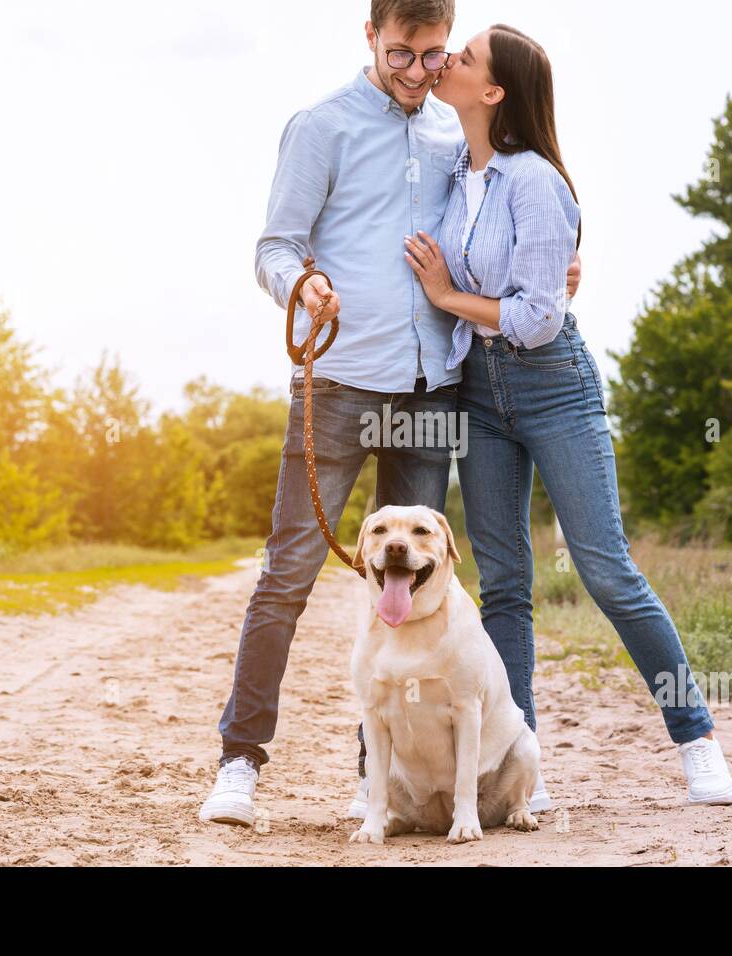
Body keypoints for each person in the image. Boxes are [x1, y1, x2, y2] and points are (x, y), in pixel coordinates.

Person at [199, 0, 581, 827]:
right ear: (370, 36)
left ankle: (377, 781)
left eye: (434, 55)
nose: (418, 72)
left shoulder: (451, 129)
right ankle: (239, 762)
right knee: (290, 570)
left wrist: (552, 270)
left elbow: (498, 212)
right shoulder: (321, 127)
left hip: (428, 390)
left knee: (412, 583)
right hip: (336, 383)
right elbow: (274, 244)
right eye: (402, 53)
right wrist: (300, 282)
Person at [403, 24, 732, 805]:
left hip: (554, 385)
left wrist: (451, 296)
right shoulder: (457, 170)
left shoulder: (535, 180)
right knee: (507, 586)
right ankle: (523, 761)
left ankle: (696, 738)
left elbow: (538, 318)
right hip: (481, 395)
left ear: (493, 93)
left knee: (607, 569)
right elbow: (528, 284)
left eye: (467, 56)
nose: (448, 59)